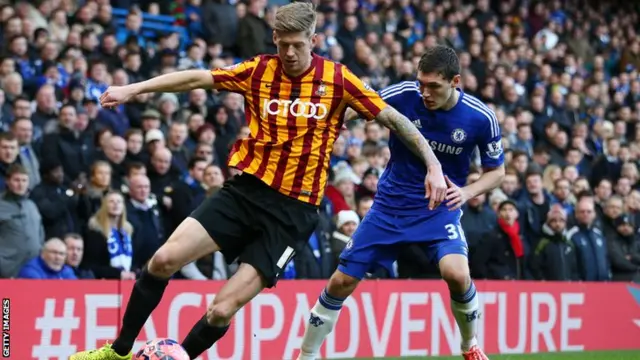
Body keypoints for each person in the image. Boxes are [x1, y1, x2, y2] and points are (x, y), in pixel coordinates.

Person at [70, 3, 447, 360]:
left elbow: (393, 119)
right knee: (162, 259)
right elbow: (198, 78)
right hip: (246, 193)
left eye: (298, 45)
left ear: (313, 41)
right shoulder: (259, 70)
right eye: (282, 45)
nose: (289, 53)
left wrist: (432, 164)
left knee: (221, 309)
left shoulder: (338, 79)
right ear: (273, 40)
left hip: (291, 215)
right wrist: (133, 90)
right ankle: (118, 350)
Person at [296, 45, 505, 360]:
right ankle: (306, 354)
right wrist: (333, 125)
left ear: (455, 81)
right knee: (341, 281)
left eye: (433, 86)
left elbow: (497, 172)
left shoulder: (480, 117)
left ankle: (469, 345)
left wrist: (465, 193)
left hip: (438, 209)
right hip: (388, 208)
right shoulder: (404, 94)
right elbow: (358, 105)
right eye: (421, 83)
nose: (424, 92)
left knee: (458, 275)